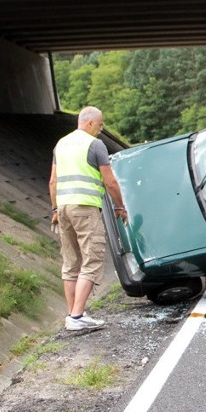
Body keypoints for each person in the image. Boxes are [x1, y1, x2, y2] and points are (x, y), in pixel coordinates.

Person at [48, 106, 128, 331]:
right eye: (100, 125)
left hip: (63, 208)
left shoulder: (61, 144)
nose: (101, 130)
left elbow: (53, 182)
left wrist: (55, 210)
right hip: (84, 208)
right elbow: (110, 182)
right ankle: (76, 317)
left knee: (71, 262)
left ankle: (73, 315)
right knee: (92, 259)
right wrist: (120, 205)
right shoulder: (95, 145)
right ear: (90, 123)